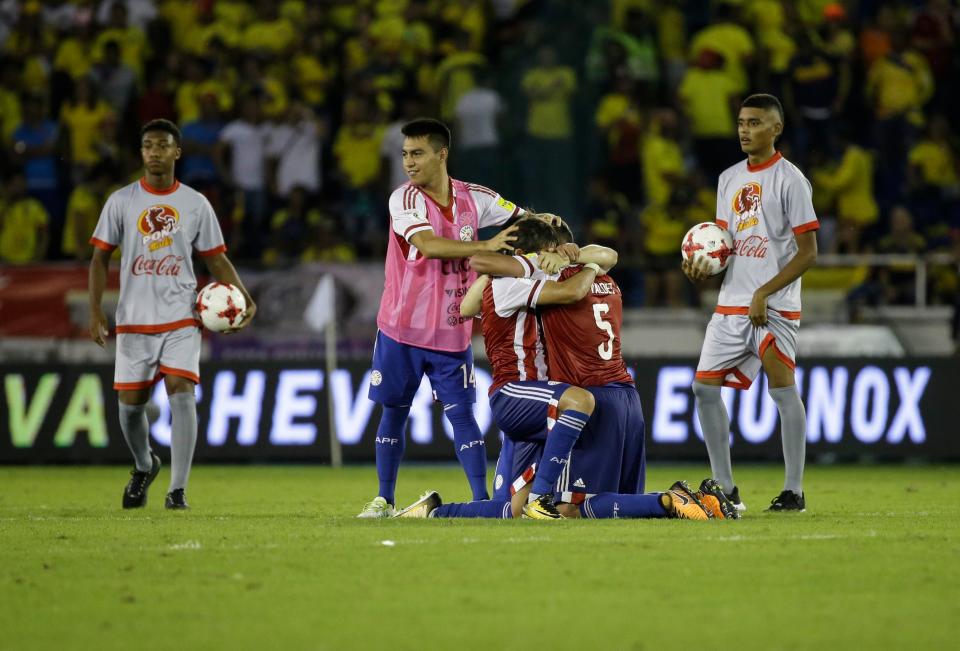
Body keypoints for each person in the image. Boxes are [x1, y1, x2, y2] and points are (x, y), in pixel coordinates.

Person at [395, 221, 731, 521]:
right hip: (598, 398)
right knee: (519, 506)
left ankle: (670, 501)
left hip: (571, 401)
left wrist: (570, 259)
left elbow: (474, 302)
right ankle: (438, 511)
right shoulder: (602, 279)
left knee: (563, 506)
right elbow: (607, 257)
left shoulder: (554, 279)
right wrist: (585, 262)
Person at [356, 118, 526, 518]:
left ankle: (484, 503)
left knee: (463, 416)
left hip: (453, 331)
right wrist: (486, 244)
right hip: (401, 329)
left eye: (417, 154)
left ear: (441, 154)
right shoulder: (404, 199)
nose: (408, 163)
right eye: (404, 155)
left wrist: (549, 230)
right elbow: (428, 245)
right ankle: (384, 499)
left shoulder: (476, 198)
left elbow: (519, 218)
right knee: (394, 411)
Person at [88, 119, 256, 511]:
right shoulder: (122, 201)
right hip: (133, 320)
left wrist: (244, 298)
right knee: (130, 409)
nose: (155, 152)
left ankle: (177, 490)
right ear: (141, 152)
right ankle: (144, 465)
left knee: (182, 393)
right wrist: (96, 310)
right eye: (148, 146)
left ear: (176, 152)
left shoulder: (195, 203)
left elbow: (216, 259)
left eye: (162, 145)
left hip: (182, 315)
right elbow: (99, 259)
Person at [683, 94, 818, 513]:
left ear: (776, 129)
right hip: (731, 304)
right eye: (741, 122)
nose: (744, 129)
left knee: (782, 391)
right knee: (703, 389)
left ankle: (793, 491)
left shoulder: (790, 180)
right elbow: (727, 245)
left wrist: (764, 292)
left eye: (755, 122)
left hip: (772, 306)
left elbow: (808, 251)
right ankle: (725, 487)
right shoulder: (727, 178)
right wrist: (705, 266)